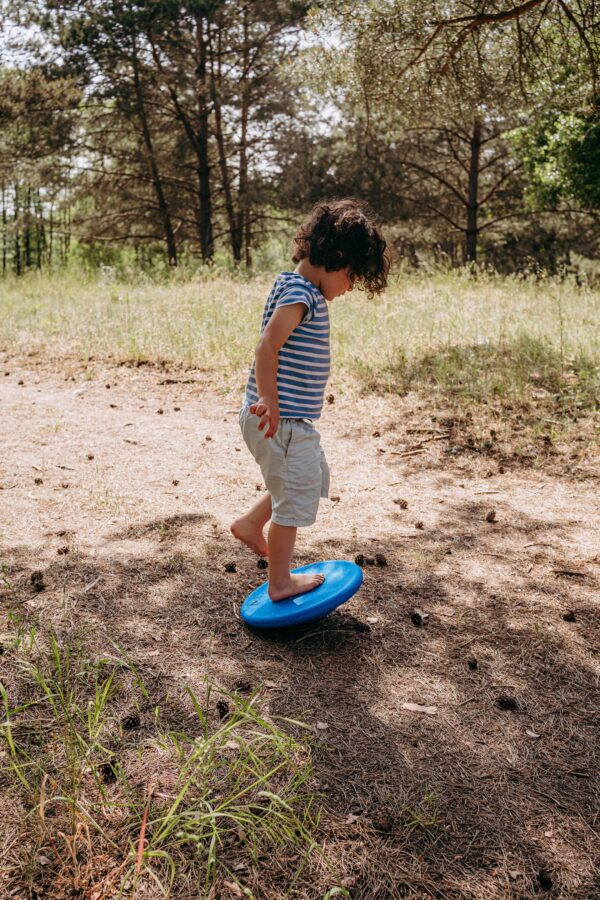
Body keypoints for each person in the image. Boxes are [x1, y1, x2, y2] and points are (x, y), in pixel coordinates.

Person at [231, 199, 389, 601]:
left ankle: (251, 523)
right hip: (279, 421)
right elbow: (267, 347)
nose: (351, 286)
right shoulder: (302, 294)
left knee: (307, 477)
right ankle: (279, 582)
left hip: (287, 422)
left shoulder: (295, 286)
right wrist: (271, 399)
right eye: (352, 276)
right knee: (294, 500)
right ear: (336, 258)